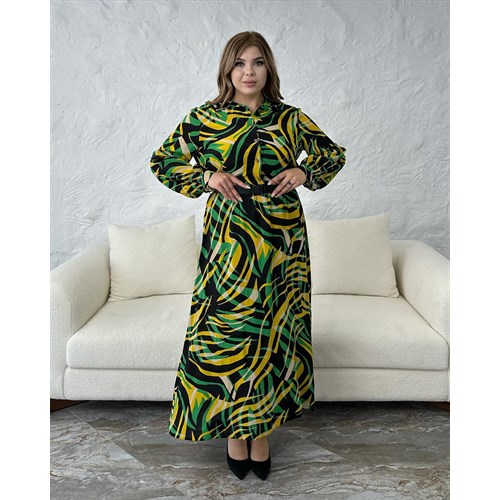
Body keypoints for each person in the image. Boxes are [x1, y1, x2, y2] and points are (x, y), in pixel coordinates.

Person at [149, 31, 347, 481]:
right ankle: (236, 432)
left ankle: (262, 432)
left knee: (273, 332)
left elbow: (331, 156)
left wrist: (303, 171)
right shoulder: (206, 117)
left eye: (257, 62)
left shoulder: (289, 118)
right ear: (227, 69)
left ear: (268, 68)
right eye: (239, 63)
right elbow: (163, 161)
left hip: (281, 239)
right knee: (232, 331)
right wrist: (207, 177)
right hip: (230, 237)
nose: (249, 72)